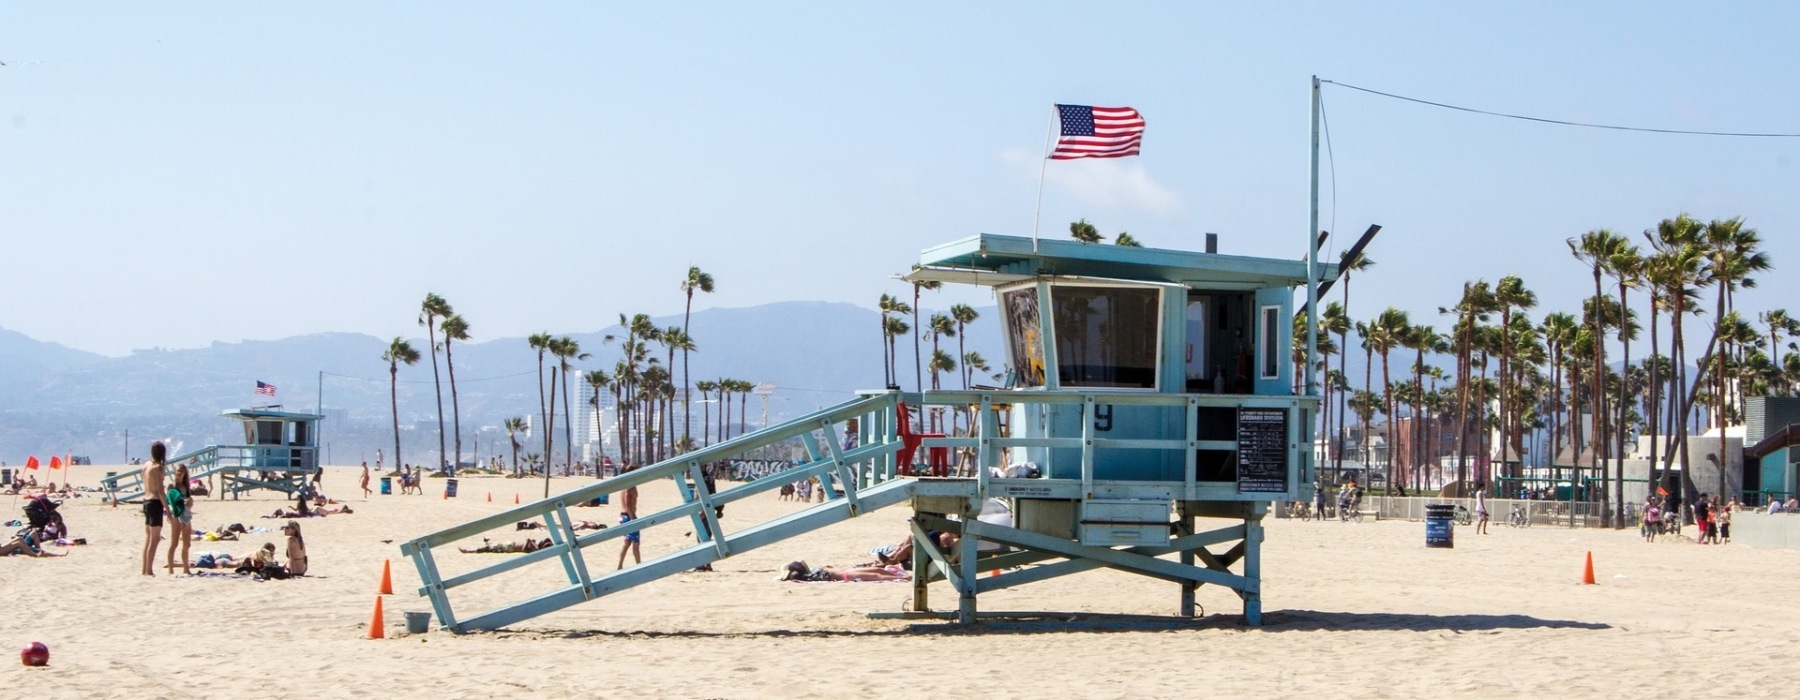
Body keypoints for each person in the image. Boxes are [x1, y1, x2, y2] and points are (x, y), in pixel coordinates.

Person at [141, 441, 168, 576]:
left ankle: (144, 569)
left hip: (146, 500)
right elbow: (160, 491)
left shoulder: (146, 465)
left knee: (148, 538)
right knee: (155, 539)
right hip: (155, 502)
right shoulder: (158, 468)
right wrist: (167, 509)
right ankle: (149, 570)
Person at [165, 462, 195, 575]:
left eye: (181, 471)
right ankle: (170, 570)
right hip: (176, 515)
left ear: (184, 474)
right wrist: (169, 514)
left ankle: (186, 568)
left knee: (187, 544)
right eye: (177, 471)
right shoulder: (171, 486)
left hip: (186, 515)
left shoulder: (186, 487)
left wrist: (189, 504)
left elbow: (188, 502)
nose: (179, 473)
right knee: (174, 543)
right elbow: (168, 502)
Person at [780, 560, 910, 583]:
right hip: (847, 575)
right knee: (876, 575)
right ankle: (902, 578)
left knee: (877, 570)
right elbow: (802, 562)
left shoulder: (812, 572)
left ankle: (898, 575)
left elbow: (802, 562)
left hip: (847, 571)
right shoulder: (811, 575)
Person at [617, 466, 641, 570]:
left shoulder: (624, 485)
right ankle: (639, 566)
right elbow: (627, 503)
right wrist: (632, 518)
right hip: (629, 516)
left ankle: (620, 565)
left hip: (623, 516)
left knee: (627, 543)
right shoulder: (630, 486)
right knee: (636, 543)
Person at [460, 538, 552, 554]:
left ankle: (467, 551)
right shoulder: (535, 546)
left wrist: (529, 541)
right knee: (491, 547)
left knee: (488, 549)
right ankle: (486, 543)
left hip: (510, 548)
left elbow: (525, 547)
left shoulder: (535, 549)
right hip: (510, 545)